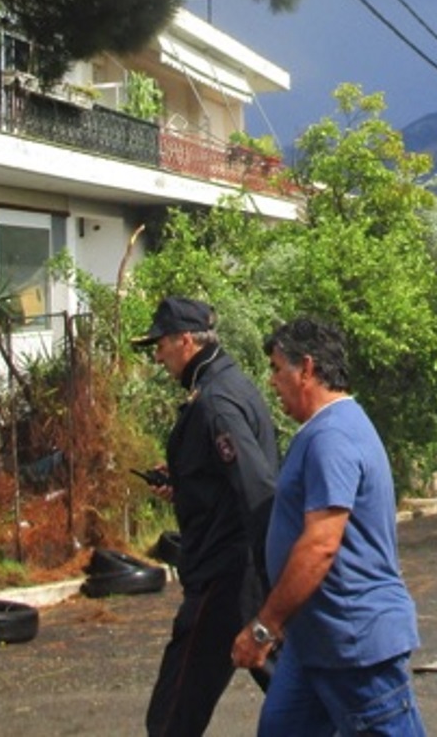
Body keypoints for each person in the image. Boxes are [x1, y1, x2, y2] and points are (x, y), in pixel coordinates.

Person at [230, 318, 426, 736]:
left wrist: (265, 626)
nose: (271, 382)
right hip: (316, 640)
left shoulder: (332, 437)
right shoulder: (324, 431)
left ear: (306, 368)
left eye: (276, 368)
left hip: (353, 640)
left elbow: (320, 545)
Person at [133, 296, 281, 736]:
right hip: (237, 570)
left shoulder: (215, 402)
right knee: (290, 687)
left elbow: (256, 490)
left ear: (185, 340)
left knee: (173, 713)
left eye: (160, 344)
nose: (157, 355)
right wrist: (181, 481)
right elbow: (221, 476)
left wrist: (272, 578)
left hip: (224, 573)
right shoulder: (227, 384)